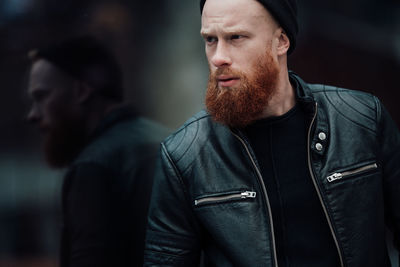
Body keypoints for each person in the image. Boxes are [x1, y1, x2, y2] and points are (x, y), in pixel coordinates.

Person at [143, 0, 400, 266]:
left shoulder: (361, 119)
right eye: (210, 39)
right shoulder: (185, 155)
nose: (218, 56)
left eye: (236, 37)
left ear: (281, 42)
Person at [26, 36, 169, 267]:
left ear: (81, 91)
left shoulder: (94, 166)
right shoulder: (172, 141)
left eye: (41, 97)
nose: (32, 114)